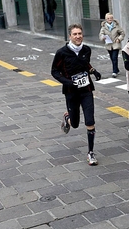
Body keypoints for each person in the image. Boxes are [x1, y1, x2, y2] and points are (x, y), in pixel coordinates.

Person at [51, 24, 102, 166]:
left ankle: (91, 153)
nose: (78, 36)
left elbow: (85, 63)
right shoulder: (62, 52)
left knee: (90, 121)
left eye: (80, 33)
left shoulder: (86, 50)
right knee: (74, 124)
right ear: (70, 36)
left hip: (86, 91)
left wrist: (93, 71)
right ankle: (67, 117)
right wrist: (68, 82)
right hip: (71, 93)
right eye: (75, 34)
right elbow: (54, 71)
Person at [99, 13, 125, 78]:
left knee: (114, 57)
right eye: (108, 18)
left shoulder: (116, 26)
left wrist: (119, 39)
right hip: (108, 44)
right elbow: (101, 34)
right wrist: (103, 37)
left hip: (116, 44)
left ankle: (114, 72)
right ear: (106, 19)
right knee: (111, 57)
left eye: (111, 18)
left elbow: (122, 33)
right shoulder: (104, 27)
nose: (110, 19)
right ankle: (116, 69)